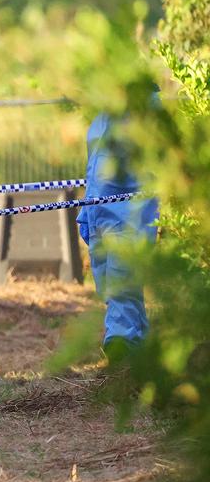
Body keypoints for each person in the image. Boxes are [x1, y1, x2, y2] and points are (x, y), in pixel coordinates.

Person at [75, 111, 159, 363]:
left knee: (124, 286)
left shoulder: (140, 111)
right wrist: (88, 212)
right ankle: (138, 357)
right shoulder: (100, 118)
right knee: (112, 290)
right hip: (99, 213)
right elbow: (96, 169)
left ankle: (124, 353)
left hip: (129, 217)